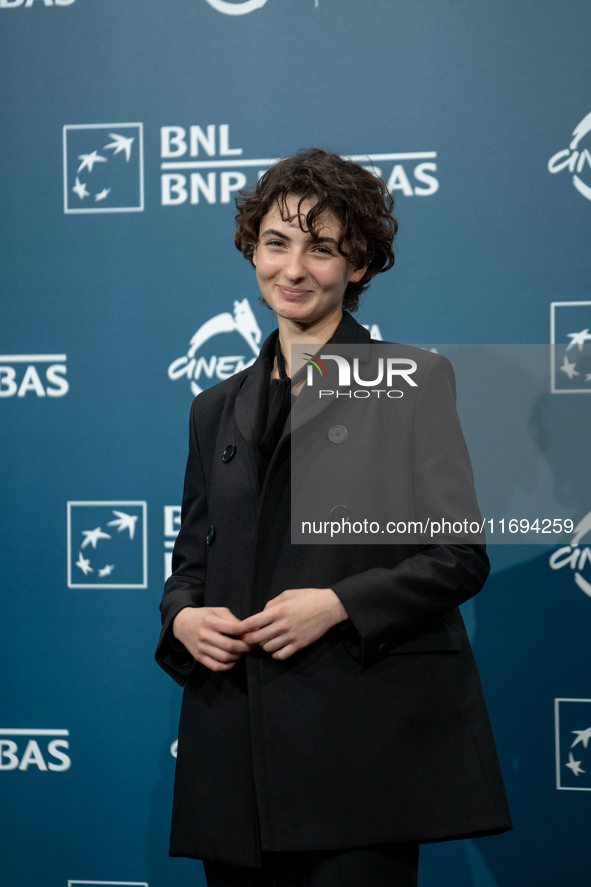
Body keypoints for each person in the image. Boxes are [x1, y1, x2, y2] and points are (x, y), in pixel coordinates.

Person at [155, 148, 511, 887]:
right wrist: (183, 619)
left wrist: (338, 604)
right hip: (234, 754)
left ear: (358, 267)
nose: (292, 268)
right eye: (276, 242)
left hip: (357, 746)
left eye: (321, 248)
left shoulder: (410, 382)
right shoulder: (213, 407)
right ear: (251, 248)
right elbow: (189, 563)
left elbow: (458, 555)